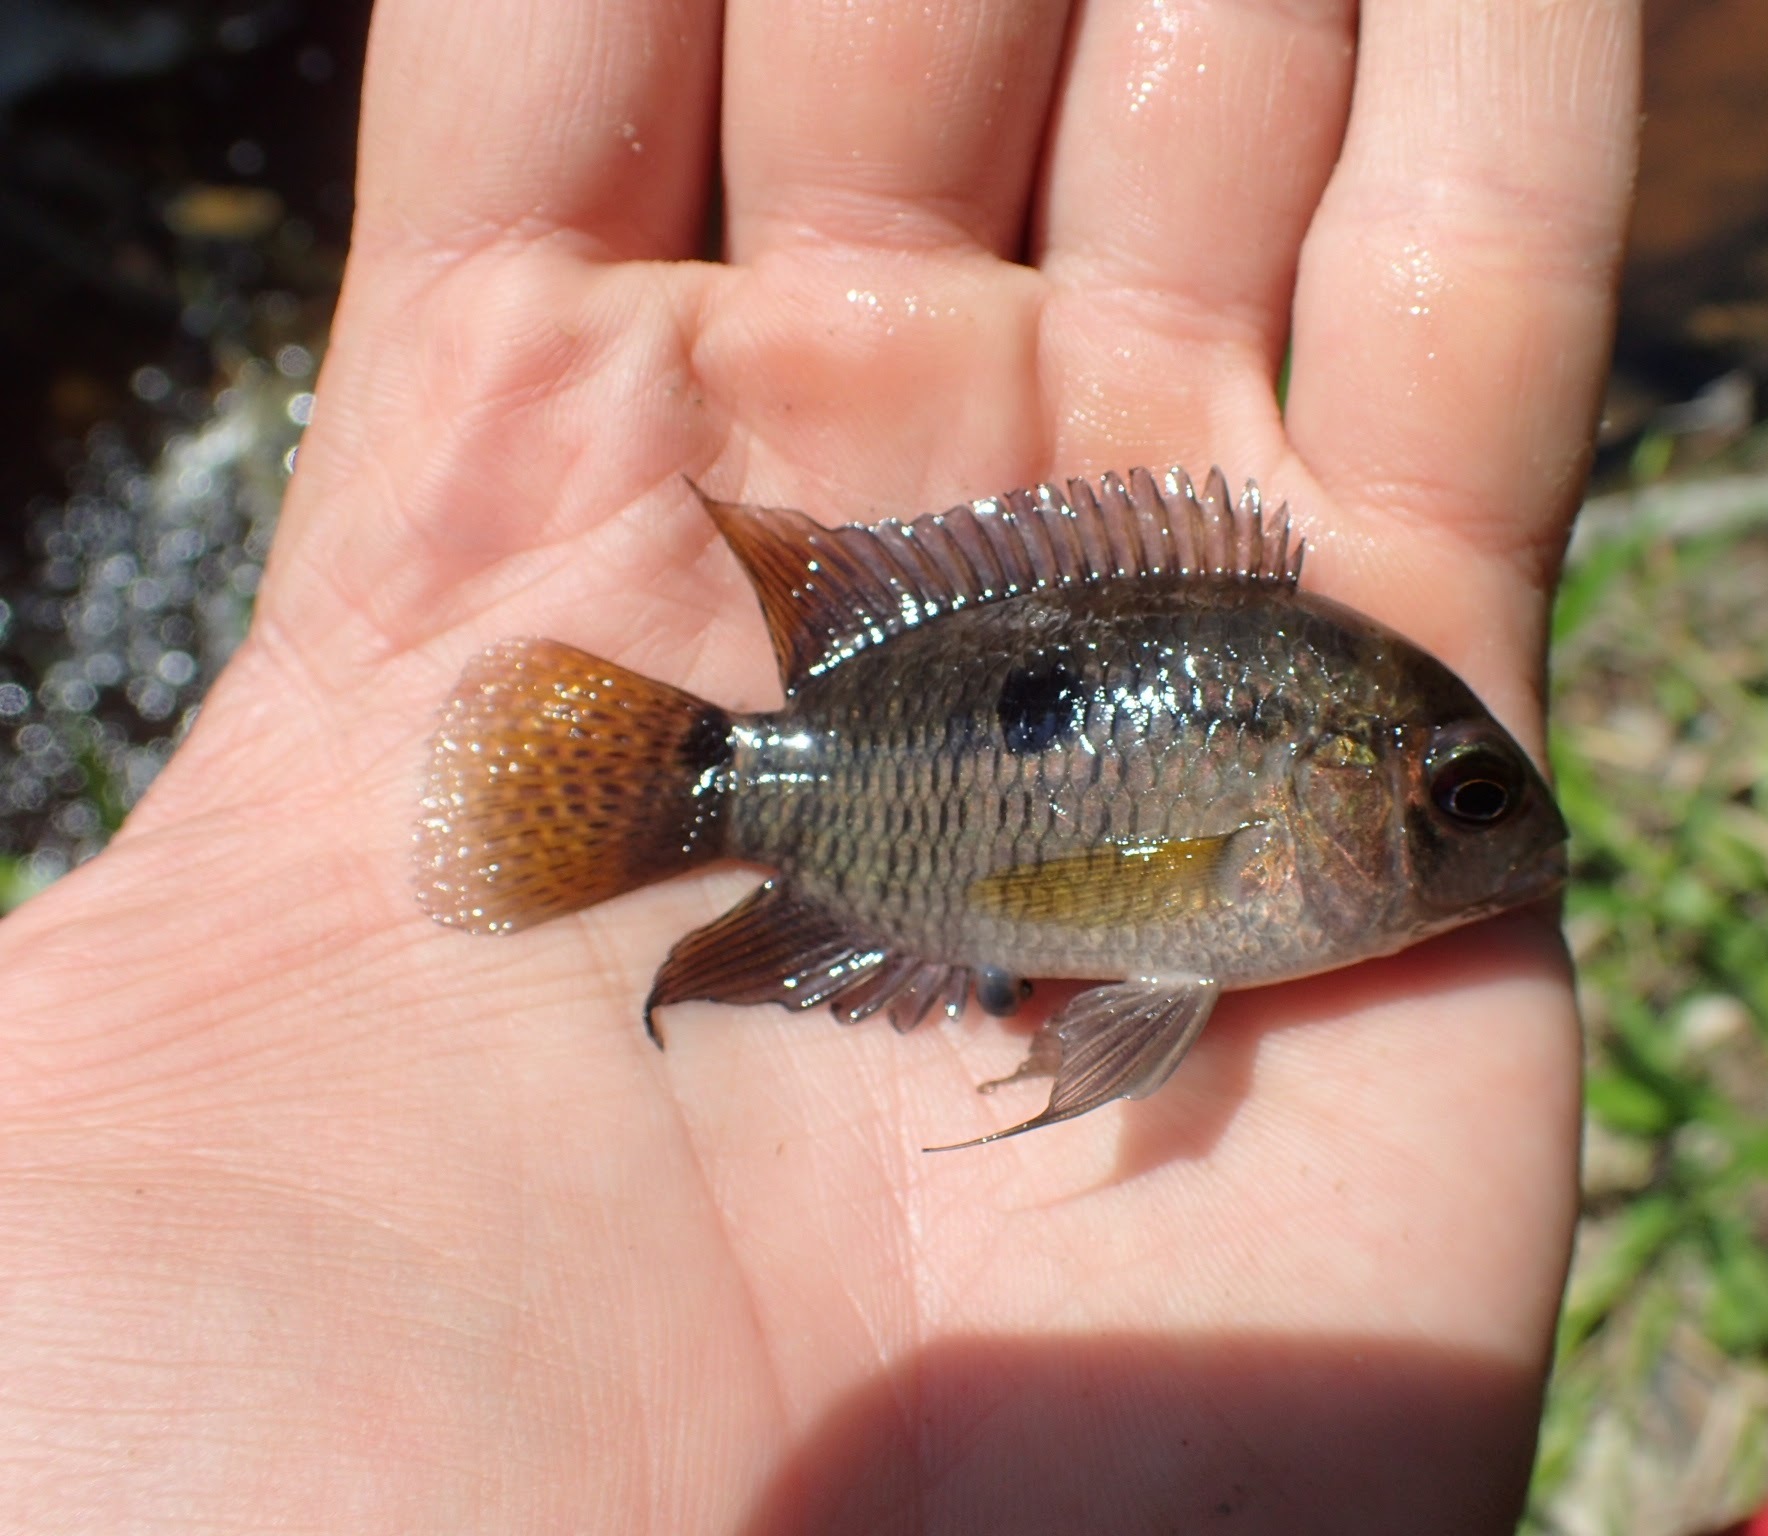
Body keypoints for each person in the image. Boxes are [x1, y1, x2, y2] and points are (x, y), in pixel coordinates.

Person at [0, 0, 1641, 1529]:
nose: (1496, 832)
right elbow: (1082, 901)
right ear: (1332, 794)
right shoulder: (1269, 797)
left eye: (1474, 799)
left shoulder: (1269, 824)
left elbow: (1091, 910)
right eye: (1462, 806)